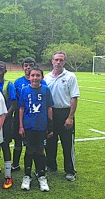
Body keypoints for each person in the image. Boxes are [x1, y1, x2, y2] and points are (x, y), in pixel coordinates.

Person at [44, 51, 80, 182]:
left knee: (67, 144)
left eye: (61, 60)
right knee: (50, 142)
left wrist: (70, 117)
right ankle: (51, 165)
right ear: (52, 61)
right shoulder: (46, 78)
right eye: (56, 60)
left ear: (64, 62)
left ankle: (70, 170)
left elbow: (74, 97)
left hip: (65, 113)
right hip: (51, 113)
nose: (58, 62)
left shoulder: (70, 76)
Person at [19, 66, 54, 192]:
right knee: (29, 149)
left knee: (40, 150)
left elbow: (49, 107)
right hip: (29, 126)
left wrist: (50, 126)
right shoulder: (24, 90)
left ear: (42, 77)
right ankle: (27, 176)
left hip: (41, 126)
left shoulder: (46, 90)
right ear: (29, 77)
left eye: (37, 75)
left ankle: (41, 176)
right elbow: (21, 109)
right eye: (32, 75)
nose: (35, 78)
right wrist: (21, 126)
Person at [12, 57, 46, 171]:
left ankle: (40, 167)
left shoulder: (42, 82)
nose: (28, 67)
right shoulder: (18, 82)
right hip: (21, 115)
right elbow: (16, 100)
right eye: (25, 65)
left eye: (30, 65)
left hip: (36, 117)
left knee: (36, 144)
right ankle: (15, 164)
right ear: (23, 67)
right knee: (18, 140)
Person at [0, 61, 17, 190]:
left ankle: (8, 175)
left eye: (2, 68)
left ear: (5, 71)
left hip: (5, 122)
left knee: (5, 146)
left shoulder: (8, 85)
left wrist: (5, 116)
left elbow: (13, 104)